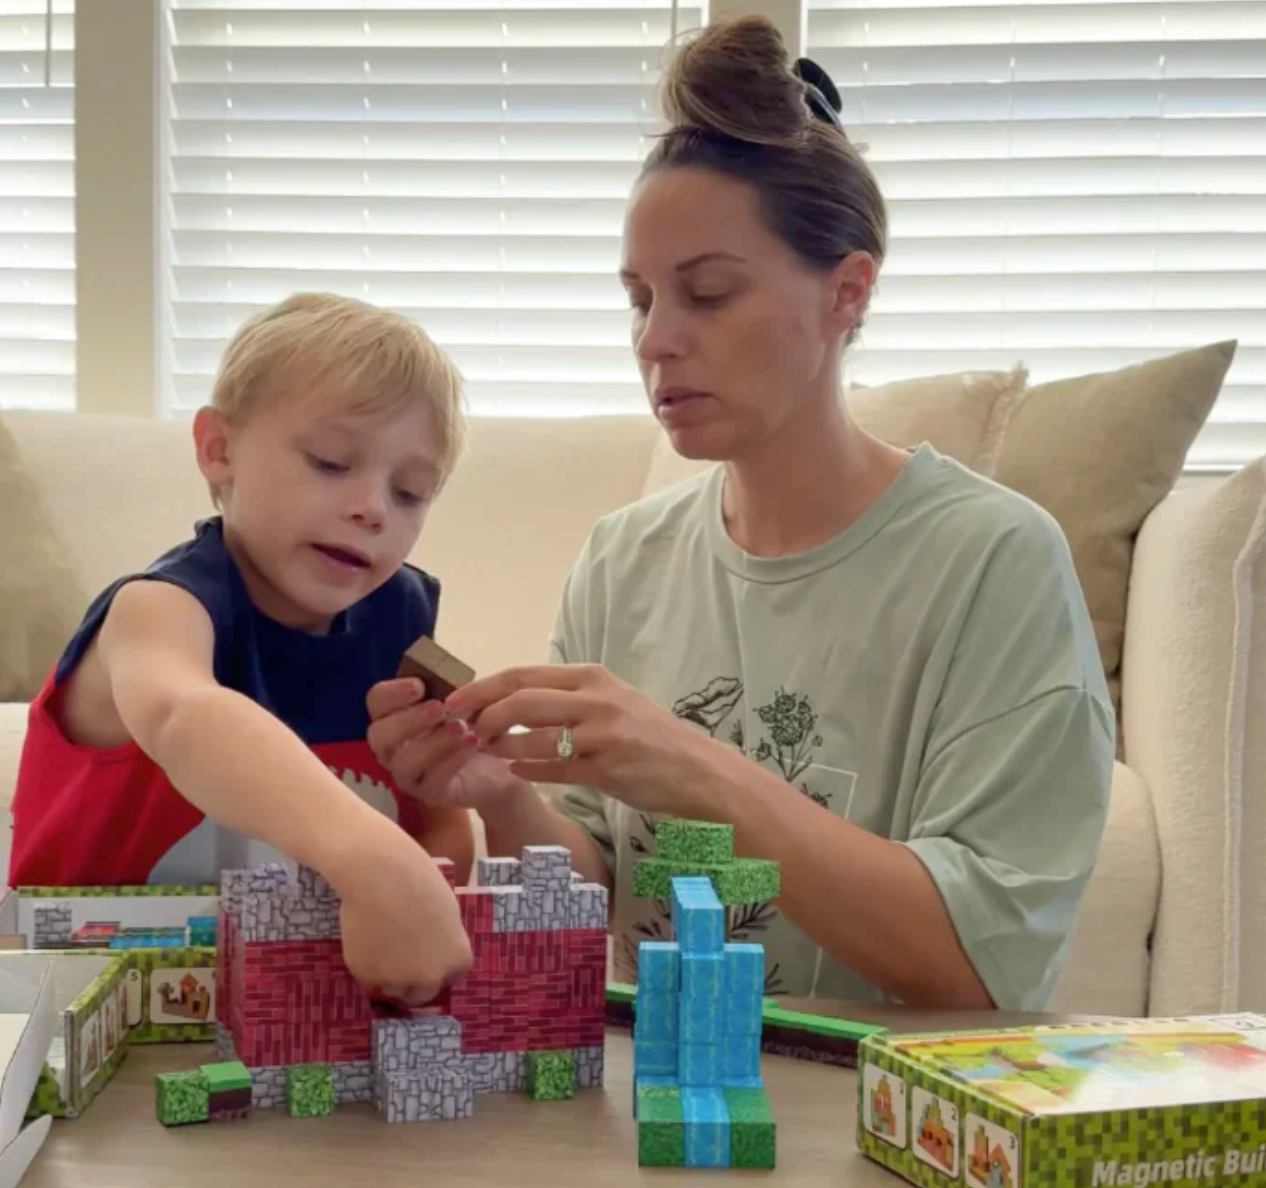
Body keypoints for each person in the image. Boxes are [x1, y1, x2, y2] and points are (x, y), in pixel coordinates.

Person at [366, 17, 1116, 1012]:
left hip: (890, 1128)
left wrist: (697, 769)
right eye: (639, 300)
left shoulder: (994, 563)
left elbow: (980, 971)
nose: (657, 341)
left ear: (847, 293)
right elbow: (593, 903)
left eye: (709, 294)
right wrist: (497, 795)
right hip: (658, 1108)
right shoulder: (623, 558)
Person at [8, 292, 475, 1006]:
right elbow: (185, 715)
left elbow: (433, 812)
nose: (373, 508)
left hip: (311, 1019)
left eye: (410, 492)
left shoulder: (400, 612)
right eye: (329, 462)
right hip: (98, 1015)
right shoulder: (158, 608)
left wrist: (432, 881)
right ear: (218, 450)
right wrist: (377, 863)